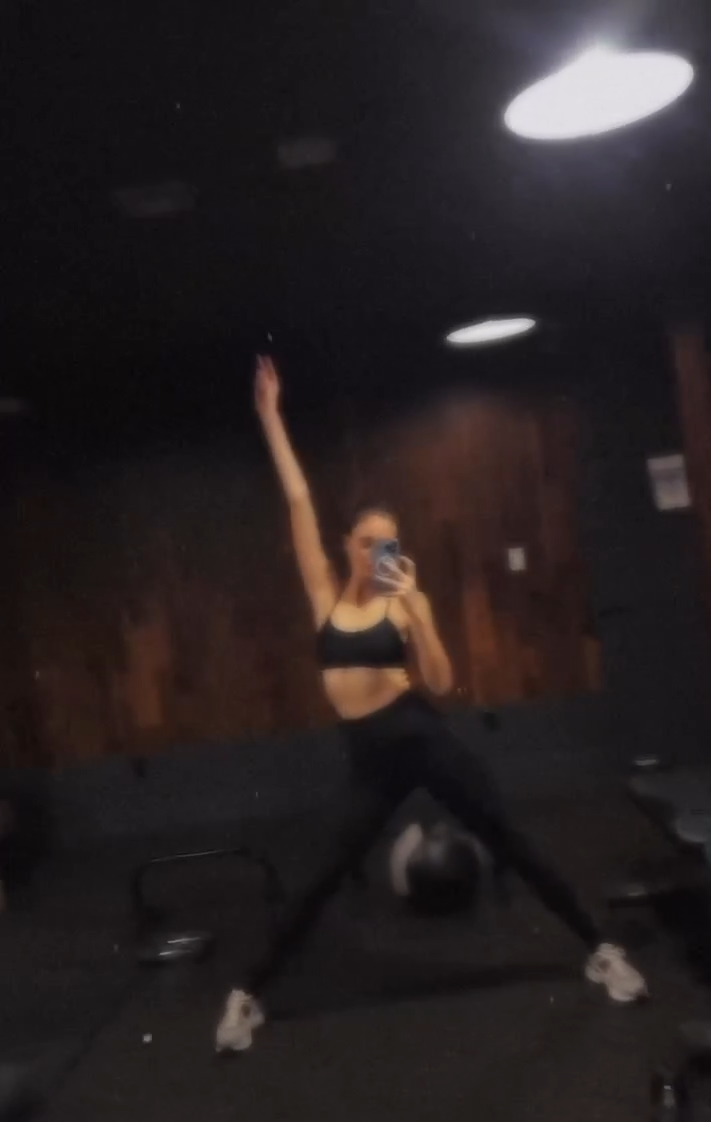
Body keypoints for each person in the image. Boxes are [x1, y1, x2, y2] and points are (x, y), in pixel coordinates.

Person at [216, 357, 647, 1051]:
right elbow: (298, 500)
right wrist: (270, 417)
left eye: (387, 544)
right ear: (347, 547)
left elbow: (442, 684)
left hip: (421, 737)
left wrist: (418, 613)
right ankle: (248, 996)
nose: (376, 553)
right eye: (367, 543)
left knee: (509, 838)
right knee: (321, 875)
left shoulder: (401, 601)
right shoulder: (324, 595)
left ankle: (601, 949)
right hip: (368, 760)